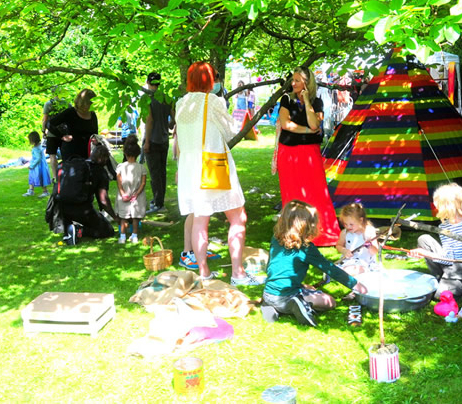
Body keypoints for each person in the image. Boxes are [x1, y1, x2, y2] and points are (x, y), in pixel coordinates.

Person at [174, 61, 263, 286]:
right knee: (238, 217)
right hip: (212, 164)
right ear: (209, 81)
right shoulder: (212, 101)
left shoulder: (181, 104)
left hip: (189, 168)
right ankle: (238, 273)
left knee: (199, 221)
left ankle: (203, 273)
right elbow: (229, 129)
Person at [261, 200, 368, 326]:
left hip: (268, 293)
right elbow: (329, 268)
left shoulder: (276, 238)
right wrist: (355, 284)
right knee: (329, 301)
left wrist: (300, 286)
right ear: (307, 226)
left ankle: (271, 306)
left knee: (308, 288)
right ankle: (296, 304)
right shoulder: (306, 248)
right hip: (286, 296)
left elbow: (275, 267)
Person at [276, 66, 340, 246]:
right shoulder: (286, 99)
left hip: (310, 152)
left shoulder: (316, 102)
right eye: (293, 80)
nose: (293, 83)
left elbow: (315, 123)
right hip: (288, 152)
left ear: (307, 82)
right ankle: (293, 232)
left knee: (315, 190)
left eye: (297, 80)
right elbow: (286, 124)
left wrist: (305, 99)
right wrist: (306, 130)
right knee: (292, 192)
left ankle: (317, 230)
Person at [55, 145, 118, 244]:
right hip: (82, 209)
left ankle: (69, 229)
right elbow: (103, 200)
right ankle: (80, 231)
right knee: (107, 230)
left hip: (62, 208)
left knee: (90, 217)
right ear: (102, 158)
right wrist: (115, 217)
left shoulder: (78, 166)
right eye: (106, 158)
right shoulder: (100, 171)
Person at [143, 72, 175, 215]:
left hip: (153, 140)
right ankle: (159, 200)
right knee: (162, 172)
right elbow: (174, 118)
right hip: (164, 140)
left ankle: (158, 203)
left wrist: (147, 141)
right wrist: (168, 124)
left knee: (155, 173)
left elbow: (149, 120)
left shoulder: (148, 98)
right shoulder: (166, 98)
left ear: (148, 82)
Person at [48, 89, 99, 162]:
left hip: (88, 151)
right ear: (83, 103)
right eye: (89, 103)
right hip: (71, 152)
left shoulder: (92, 115)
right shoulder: (70, 112)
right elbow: (50, 124)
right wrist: (61, 136)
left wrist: (95, 139)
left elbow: (95, 133)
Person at [335, 202, 379, 276]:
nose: (348, 227)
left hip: (365, 260)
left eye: (351, 224)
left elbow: (375, 251)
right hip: (350, 260)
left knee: (352, 271)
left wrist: (370, 246)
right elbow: (338, 245)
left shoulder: (369, 231)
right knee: (347, 271)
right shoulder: (345, 233)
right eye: (345, 224)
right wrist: (344, 250)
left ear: (361, 220)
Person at [116, 140, 147, 244]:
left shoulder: (120, 167)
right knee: (135, 217)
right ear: (138, 153)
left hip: (124, 195)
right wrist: (136, 194)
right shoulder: (141, 168)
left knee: (123, 218)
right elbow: (143, 183)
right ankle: (134, 236)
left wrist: (122, 193)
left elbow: (119, 182)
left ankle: (122, 237)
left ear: (125, 153)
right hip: (137, 196)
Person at [42, 87, 71, 181]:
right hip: (64, 134)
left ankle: (55, 177)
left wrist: (43, 131)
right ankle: (66, 174)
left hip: (52, 134)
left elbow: (45, 120)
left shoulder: (48, 104)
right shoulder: (67, 103)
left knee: (52, 156)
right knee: (66, 155)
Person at [24, 131, 51, 198]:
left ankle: (45, 191)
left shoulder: (36, 149)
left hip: (37, 167)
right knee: (32, 178)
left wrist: (31, 166)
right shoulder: (40, 146)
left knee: (40, 178)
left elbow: (38, 158)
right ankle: (31, 190)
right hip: (39, 166)